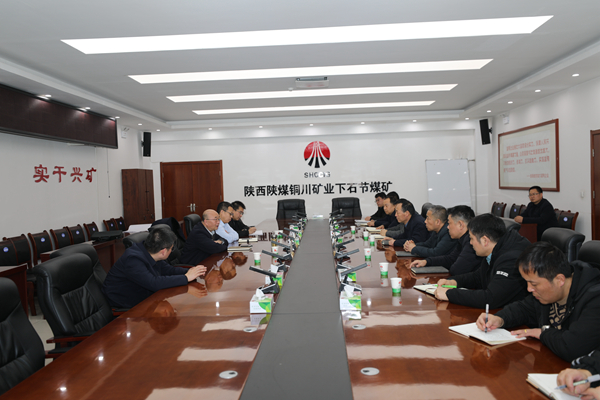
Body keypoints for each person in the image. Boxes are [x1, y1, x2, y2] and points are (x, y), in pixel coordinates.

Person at [476, 241, 600, 362]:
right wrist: (499, 319)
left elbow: (573, 347)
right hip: (549, 362)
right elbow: (523, 309)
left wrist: (542, 333)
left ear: (559, 280)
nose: (529, 289)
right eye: (527, 282)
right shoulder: (547, 293)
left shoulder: (595, 299)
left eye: (534, 284)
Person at [434, 213, 530, 309]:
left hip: (515, 314)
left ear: (485, 241)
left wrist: (449, 294)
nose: (470, 243)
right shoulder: (495, 248)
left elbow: (490, 299)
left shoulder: (511, 259)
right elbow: (478, 277)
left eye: (471, 238)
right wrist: (454, 282)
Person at [102, 227, 206, 309]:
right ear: (163, 251)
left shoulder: (150, 251)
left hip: (145, 297)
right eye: (172, 248)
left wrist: (191, 271)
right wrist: (186, 277)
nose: (172, 251)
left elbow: (168, 270)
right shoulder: (133, 259)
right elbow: (154, 283)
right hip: (126, 305)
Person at [410, 205, 482, 275]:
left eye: (449, 223)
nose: (447, 227)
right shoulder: (462, 239)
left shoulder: (471, 242)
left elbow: (456, 270)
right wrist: (426, 262)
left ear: (460, 225)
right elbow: (450, 258)